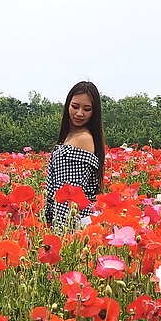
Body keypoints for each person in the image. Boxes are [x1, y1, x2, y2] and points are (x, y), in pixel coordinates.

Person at [42, 79, 105, 231]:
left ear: (94, 112)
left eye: (87, 109)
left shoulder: (84, 138)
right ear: (67, 105)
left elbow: (71, 193)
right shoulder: (70, 135)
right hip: (69, 217)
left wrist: (61, 230)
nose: (79, 113)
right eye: (75, 106)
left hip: (75, 221)